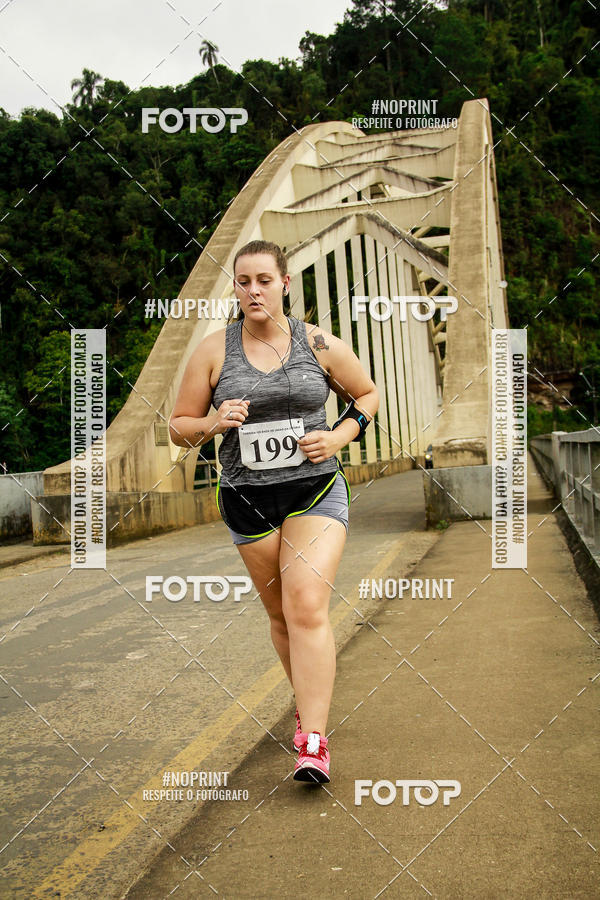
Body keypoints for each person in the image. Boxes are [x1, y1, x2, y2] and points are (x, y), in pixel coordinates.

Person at [169, 239, 379, 783]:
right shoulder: (215, 351)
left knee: (307, 604)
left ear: (285, 283)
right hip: (246, 498)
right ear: (234, 288)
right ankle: (310, 703)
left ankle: (312, 739)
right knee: (282, 616)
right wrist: (213, 424)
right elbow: (178, 425)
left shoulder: (318, 343)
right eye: (243, 281)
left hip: (314, 489)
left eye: (264, 279)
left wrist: (338, 436)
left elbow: (367, 394)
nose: (253, 289)